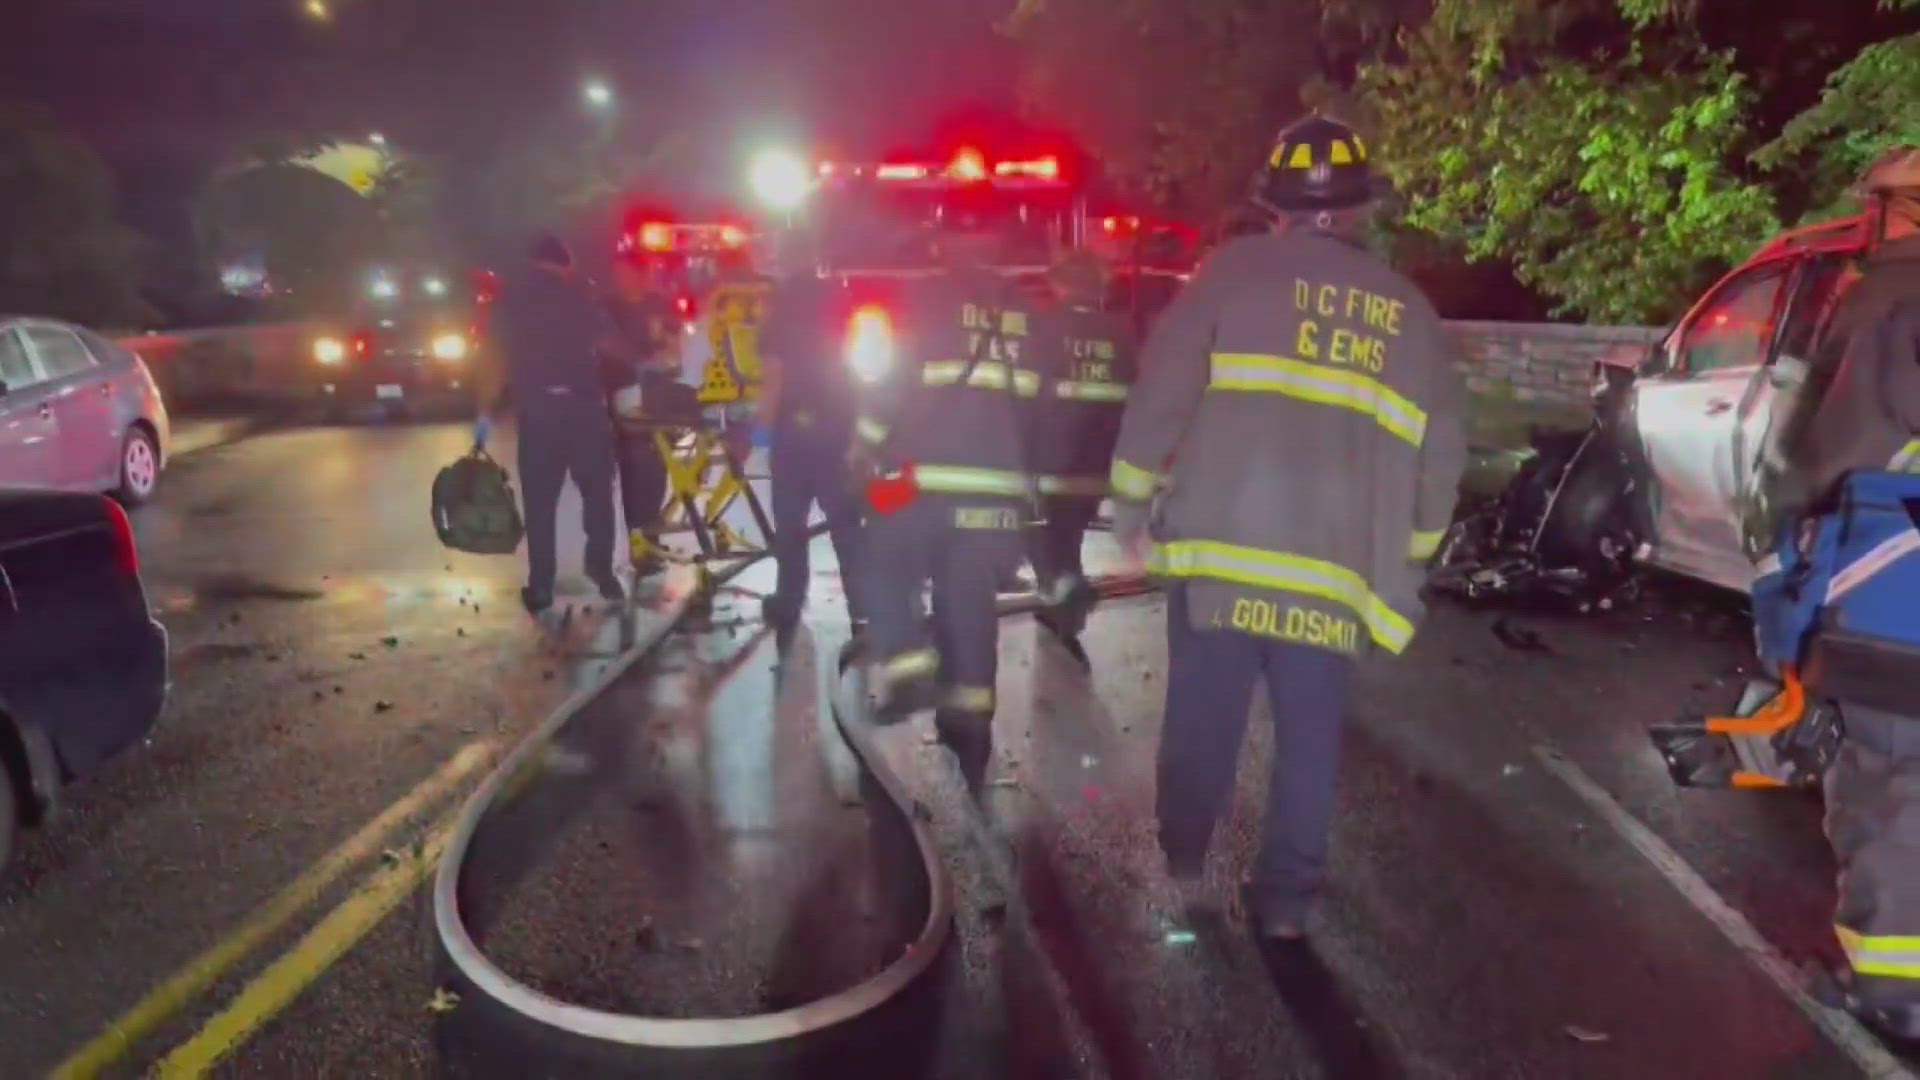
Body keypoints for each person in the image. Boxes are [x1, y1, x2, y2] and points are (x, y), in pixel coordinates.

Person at [1107, 114, 1468, 938]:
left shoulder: (1229, 276)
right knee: (1310, 745)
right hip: (1333, 570)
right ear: (1361, 209)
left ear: (1274, 206)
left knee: (1204, 721)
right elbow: (1441, 457)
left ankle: (1187, 862)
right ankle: (1285, 907)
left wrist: (1129, 503)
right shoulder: (1408, 315)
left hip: (1222, 559)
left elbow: (1161, 393)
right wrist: (1407, 558)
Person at [1748, 145, 1920, 1041]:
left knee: (1887, 781)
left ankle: (1894, 986)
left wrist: (1789, 556)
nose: (1871, 226)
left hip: (1896, 587)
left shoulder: (1890, 300)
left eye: (1882, 210)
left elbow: (1832, 455)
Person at [852, 211, 1042, 794]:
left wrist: (864, 439)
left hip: (928, 479)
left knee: (878, 555)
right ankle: (972, 721)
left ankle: (909, 664)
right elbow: (1041, 401)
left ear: (944, 245)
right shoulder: (1026, 309)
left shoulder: (923, 298)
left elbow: (893, 382)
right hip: (997, 489)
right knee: (971, 598)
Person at [474, 234, 626, 614]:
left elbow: (494, 360)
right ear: (566, 265)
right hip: (584, 411)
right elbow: (610, 344)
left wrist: (484, 415)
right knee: (598, 495)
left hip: (539, 411)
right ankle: (602, 570)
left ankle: (541, 586)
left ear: (532, 263)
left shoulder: (510, 303)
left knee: (540, 503)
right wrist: (644, 361)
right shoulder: (580, 299)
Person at [1029, 250, 1137, 652]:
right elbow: (1133, 395)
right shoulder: (1121, 333)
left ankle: (1066, 591)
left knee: (1046, 537)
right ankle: (1059, 605)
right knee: (1067, 534)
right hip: (1097, 462)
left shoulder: (1043, 327)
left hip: (1049, 460)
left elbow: (1028, 391)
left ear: (1062, 285)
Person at [757, 231, 865, 630]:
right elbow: (858, 363)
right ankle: (862, 609)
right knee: (845, 522)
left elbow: (774, 373)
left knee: (790, 523)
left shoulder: (780, 305)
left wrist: (760, 433)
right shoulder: (840, 298)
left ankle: (789, 601)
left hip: (793, 432)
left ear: (784, 260)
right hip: (837, 423)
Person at [602, 255, 684, 575]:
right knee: (631, 469)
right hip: (620, 394)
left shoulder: (658, 304)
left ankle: (650, 537)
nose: (624, 279)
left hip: (657, 394)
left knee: (656, 466)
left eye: (630, 273)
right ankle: (638, 540)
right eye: (619, 273)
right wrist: (637, 362)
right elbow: (602, 344)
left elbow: (674, 341)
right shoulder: (606, 307)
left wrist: (667, 359)